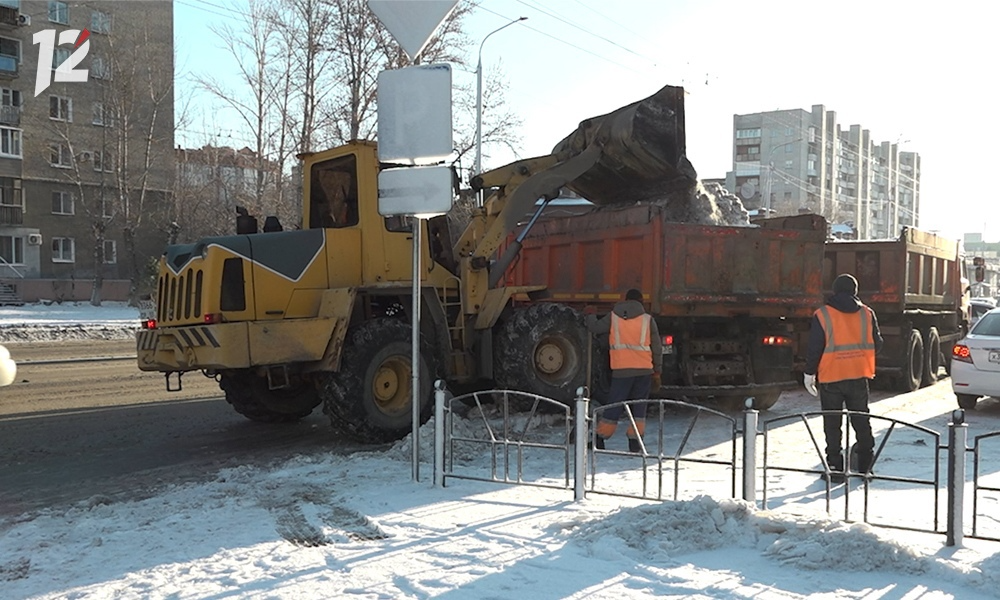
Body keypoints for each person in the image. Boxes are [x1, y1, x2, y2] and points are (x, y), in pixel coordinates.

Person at [803, 273, 883, 483]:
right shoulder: (867, 313)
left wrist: (809, 373)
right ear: (855, 291)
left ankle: (835, 468)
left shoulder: (823, 314)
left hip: (831, 377)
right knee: (861, 421)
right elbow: (878, 343)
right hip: (858, 375)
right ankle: (865, 467)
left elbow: (815, 347)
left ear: (834, 290)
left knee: (832, 424)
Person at [586, 288, 663, 452]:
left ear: (625, 300)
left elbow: (595, 328)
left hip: (621, 371)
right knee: (639, 407)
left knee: (614, 404)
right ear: (641, 301)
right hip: (644, 371)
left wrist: (590, 314)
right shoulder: (648, 320)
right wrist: (657, 371)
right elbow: (657, 348)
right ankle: (635, 442)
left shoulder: (613, 316)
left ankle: (600, 438)